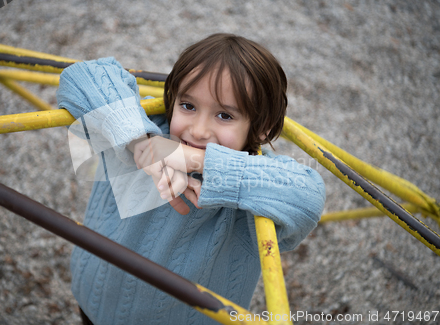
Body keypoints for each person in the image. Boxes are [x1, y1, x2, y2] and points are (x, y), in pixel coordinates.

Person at [57, 33, 326, 325]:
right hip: (93, 300)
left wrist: (196, 160)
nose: (198, 130)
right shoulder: (145, 129)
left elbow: (309, 194)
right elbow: (82, 75)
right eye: (188, 106)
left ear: (262, 128)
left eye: (224, 115)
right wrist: (140, 142)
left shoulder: (254, 179)